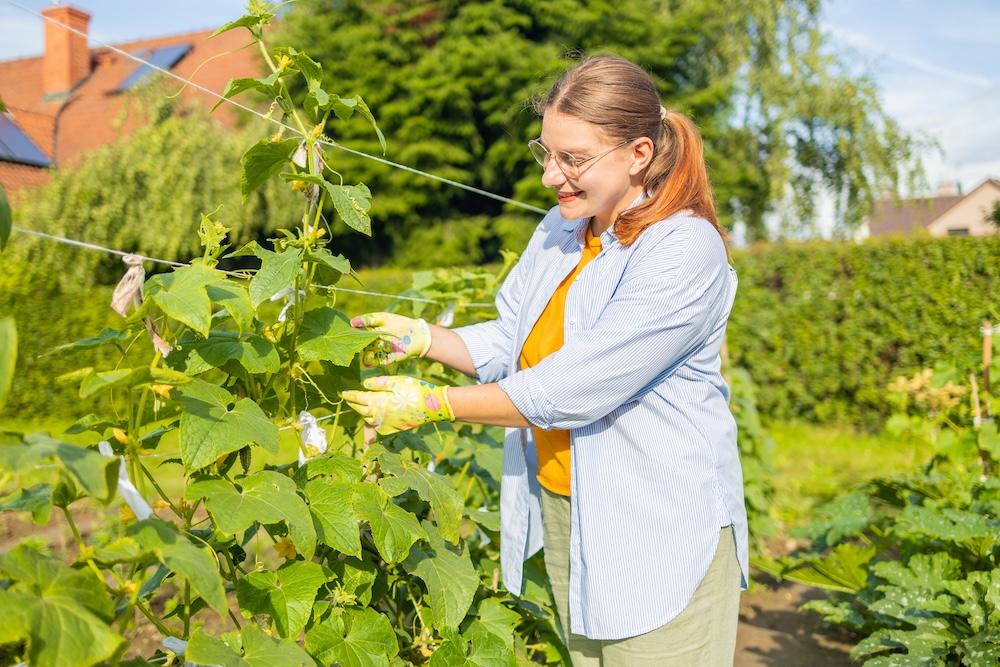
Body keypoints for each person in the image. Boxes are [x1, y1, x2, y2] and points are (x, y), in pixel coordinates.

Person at [343, 54, 748, 667]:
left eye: (573, 159)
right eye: (547, 153)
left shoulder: (682, 249)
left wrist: (433, 404)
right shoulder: (561, 229)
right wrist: (424, 337)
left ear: (639, 154)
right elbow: (514, 338)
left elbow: (572, 388)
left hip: (657, 520)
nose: (549, 176)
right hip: (566, 503)